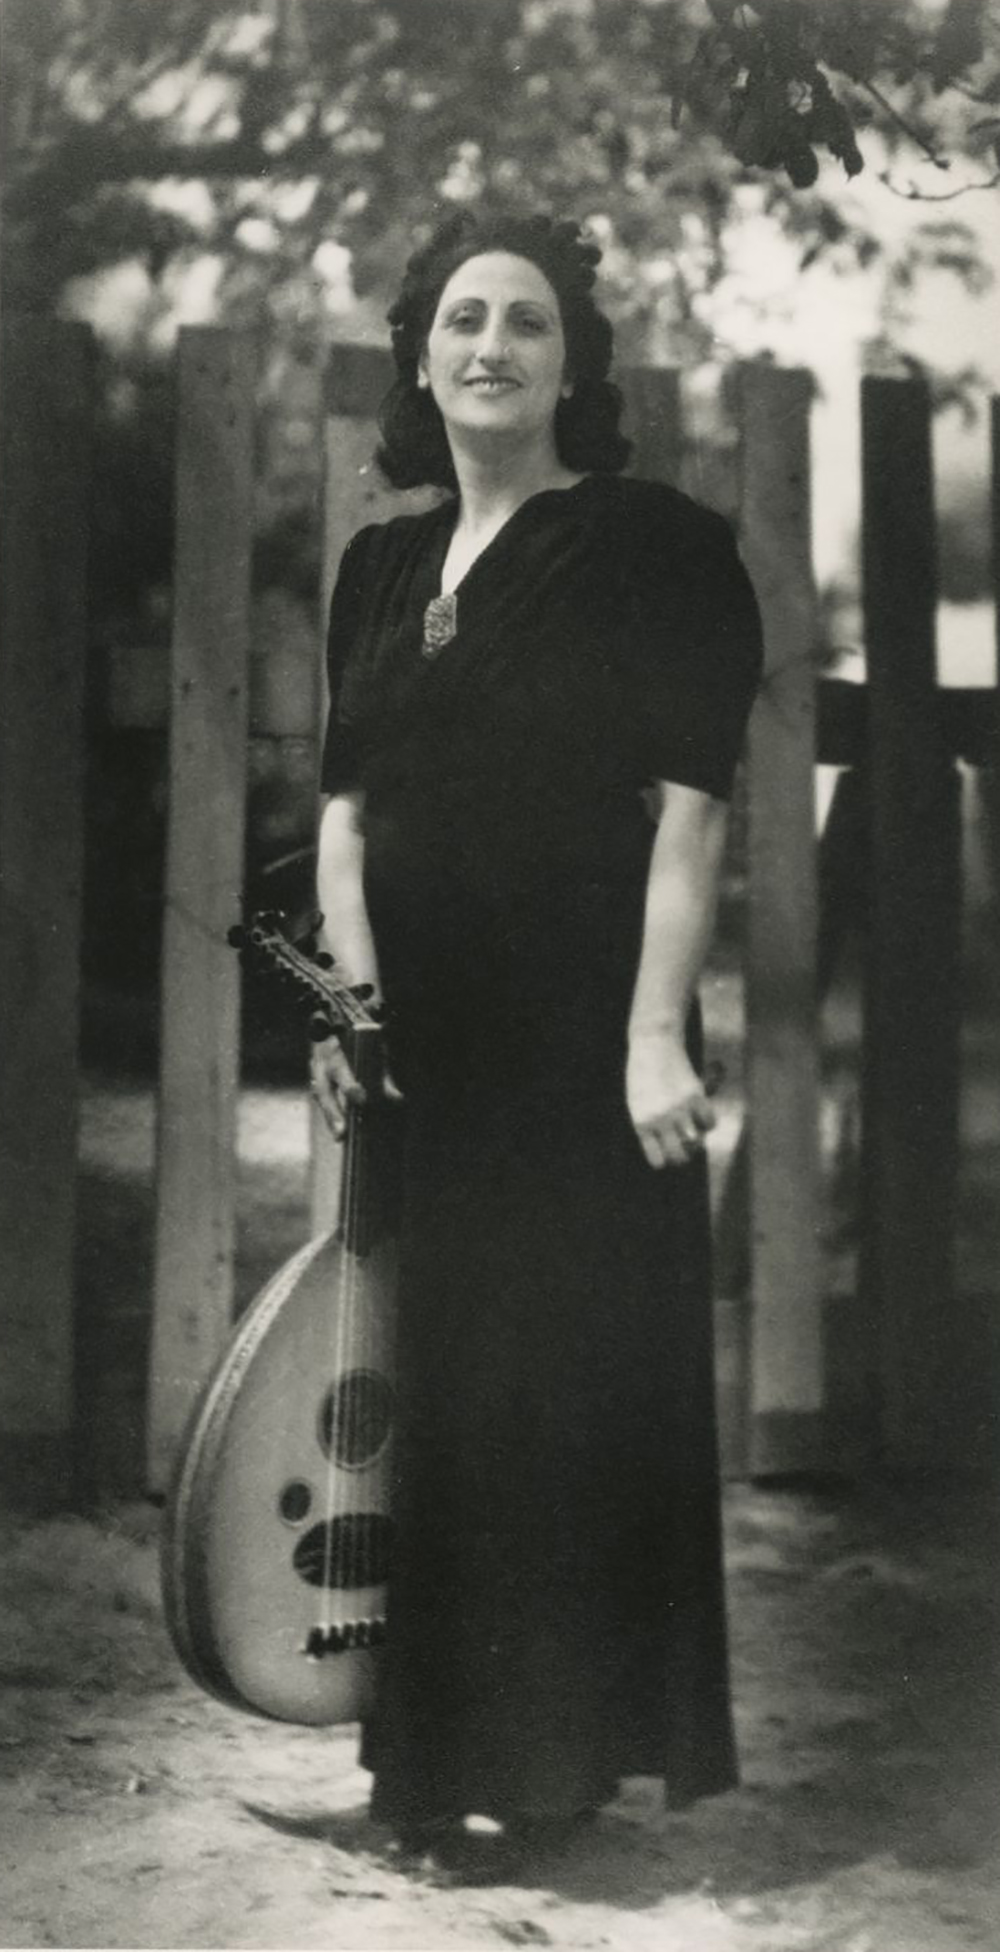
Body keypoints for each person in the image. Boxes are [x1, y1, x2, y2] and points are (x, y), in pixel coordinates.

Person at [311, 209, 763, 1878]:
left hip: (584, 1036)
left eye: (526, 322)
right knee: (448, 1390)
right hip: (429, 1045)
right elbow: (344, 823)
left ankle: (553, 1773)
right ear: (420, 359)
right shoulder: (376, 565)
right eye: (459, 319)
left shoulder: (646, 545)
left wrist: (653, 1038)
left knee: (556, 1389)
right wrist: (356, 1013)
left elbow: (691, 816)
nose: (489, 344)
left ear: (575, 364)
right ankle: (437, 1767)